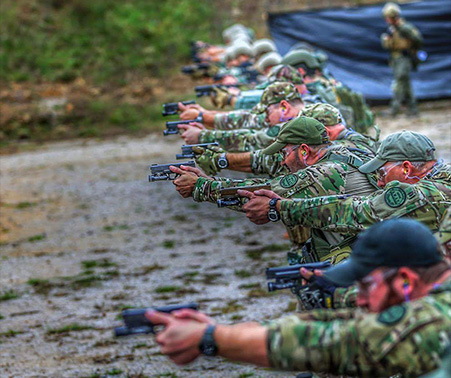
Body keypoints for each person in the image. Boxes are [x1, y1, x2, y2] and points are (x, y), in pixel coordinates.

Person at [145, 219, 451, 376]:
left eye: (365, 286)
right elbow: (339, 323)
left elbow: (343, 341)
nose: (359, 299)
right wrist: (225, 330)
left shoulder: (434, 319)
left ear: (405, 279)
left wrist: (211, 338)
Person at [171, 117, 377, 264]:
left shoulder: (326, 172)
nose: (283, 161)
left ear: (304, 150)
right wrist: (210, 181)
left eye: (285, 153)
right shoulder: (343, 153)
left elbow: (264, 193)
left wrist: (202, 187)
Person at [239, 131, 449, 238]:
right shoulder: (442, 176)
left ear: (406, 167)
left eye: (383, 172)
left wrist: (279, 208)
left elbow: (358, 211)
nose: (379, 180)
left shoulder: (426, 193)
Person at [381, 2, 423, 116]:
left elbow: (418, 40)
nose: (387, 20)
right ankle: (413, 109)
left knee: (400, 82)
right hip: (395, 58)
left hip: (404, 58)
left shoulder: (405, 28)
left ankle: (394, 109)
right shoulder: (392, 29)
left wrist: (412, 50)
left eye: (388, 18)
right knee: (405, 83)